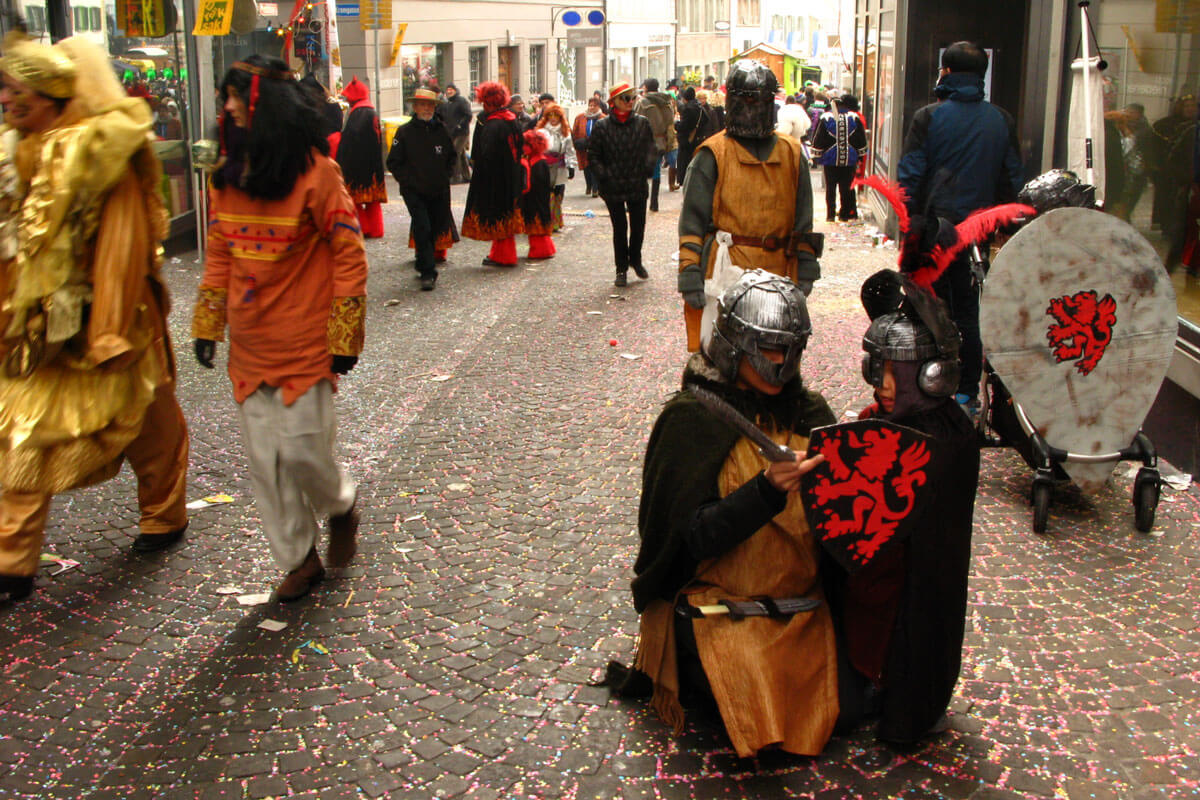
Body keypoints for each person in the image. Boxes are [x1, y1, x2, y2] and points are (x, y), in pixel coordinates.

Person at [608, 269, 840, 758]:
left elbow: (841, 528)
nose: (780, 363)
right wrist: (765, 492)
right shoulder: (692, 419)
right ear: (735, 345)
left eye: (790, 350)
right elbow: (686, 539)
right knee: (757, 711)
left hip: (803, 609)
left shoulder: (812, 414)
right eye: (768, 350)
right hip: (720, 610)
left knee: (850, 706)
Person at [0, 34, 191, 602]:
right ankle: (12, 557)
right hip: (29, 325)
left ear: (51, 93)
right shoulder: (11, 151)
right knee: (22, 436)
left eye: (18, 89)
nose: (7, 99)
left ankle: (164, 512)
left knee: (148, 416)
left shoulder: (99, 152)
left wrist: (105, 322)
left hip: (108, 318)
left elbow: (123, 244)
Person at [192, 55, 367, 602]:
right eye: (225, 99)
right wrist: (207, 323)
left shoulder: (318, 174)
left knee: (303, 452)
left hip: (304, 343)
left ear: (264, 107)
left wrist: (344, 336)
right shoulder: (228, 176)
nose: (225, 108)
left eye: (235, 98)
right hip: (250, 345)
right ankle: (299, 560)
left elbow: (349, 255)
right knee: (266, 464)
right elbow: (220, 252)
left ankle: (340, 505)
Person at [824, 268, 980, 744]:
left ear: (927, 375)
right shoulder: (888, 426)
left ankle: (901, 700)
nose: (884, 383)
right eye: (880, 368)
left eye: (899, 371)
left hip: (911, 613)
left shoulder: (945, 438)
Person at [897, 41, 1023, 415]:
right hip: (977, 235)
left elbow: (910, 178)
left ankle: (928, 388)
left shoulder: (928, 117)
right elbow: (1011, 177)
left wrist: (910, 229)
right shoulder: (1001, 119)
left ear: (946, 72)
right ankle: (967, 395)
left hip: (934, 233)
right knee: (969, 313)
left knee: (927, 310)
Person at [679, 59, 824, 352]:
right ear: (732, 100)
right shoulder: (713, 155)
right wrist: (690, 272)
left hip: (780, 273)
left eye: (759, 99)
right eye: (744, 99)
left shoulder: (792, 153)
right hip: (727, 272)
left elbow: (803, 219)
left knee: (773, 359)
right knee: (721, 361)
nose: (751, 107)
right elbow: (693, 220)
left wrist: (806, 266)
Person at [586, 83, 658, 287]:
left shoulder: (642, 123)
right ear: (613, 102)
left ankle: (636, 260)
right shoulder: (602, 126)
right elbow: (594, 155)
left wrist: (646, 169)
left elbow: (651, 149)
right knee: (619, 228)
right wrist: (604, 175)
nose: (630, 102)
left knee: (638, 227)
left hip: (636, 182)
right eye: (625, 98)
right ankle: (621, 268)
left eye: (632, 98)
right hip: (613, 185)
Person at [388, 87, 457, 291]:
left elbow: (452, 157)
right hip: (414, 191)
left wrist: (445, 176)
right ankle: (428, 272)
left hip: (439, 190)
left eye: (430, 105)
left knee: (434, 228)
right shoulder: (405, 132)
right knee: (422, 226)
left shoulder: (442, 130)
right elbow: (393, 162)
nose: (427, 109)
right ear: (415, 107)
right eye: (423, 105)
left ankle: (421, 260)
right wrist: (407, 182)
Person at [462, 81, 525, 267]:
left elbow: (485, 155)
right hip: (512, 173)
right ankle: (500, 253)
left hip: (495, 177)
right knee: (507, 213)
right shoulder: (511, 119)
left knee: (499, 215)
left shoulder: (492, 125)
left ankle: (504, 256)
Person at [337, 76, 387, 238]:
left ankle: (364, 228)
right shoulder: (370, 111)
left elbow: (350, 142)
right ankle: (376, 229)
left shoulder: (358, 113)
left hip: (357, 166)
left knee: (355, 201)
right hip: (373, 165)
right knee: (373, 202)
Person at [812, 95, 869, 222]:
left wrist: (817, 156)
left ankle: (830, 214)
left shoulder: (826, 118)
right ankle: (844, 213)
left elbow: (818, 139)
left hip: (830, 160)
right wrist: (859, 156)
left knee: (830, 188)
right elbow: (861, 140)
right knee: (846, 187)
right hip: (849, 159)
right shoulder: (853, 117)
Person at [634, 77, 678, 210]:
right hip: (662, 140)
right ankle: (654, 202)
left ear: (646, 88)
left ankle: (641, 201)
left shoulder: (643, 103)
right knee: (656, 171)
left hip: (645, 140)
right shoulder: (667, 102)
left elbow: (635, 120)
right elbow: (671, 120)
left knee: (640, 171)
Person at [535, 103, 576, 231]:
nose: (553, 118)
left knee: (558, 194)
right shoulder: (541, 132)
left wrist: (571, 166)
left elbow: (569, 150)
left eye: (556, 115)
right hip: (544, 166)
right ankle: (544, 221)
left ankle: (555, 221)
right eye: (550, 115)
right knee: (545, 194)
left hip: (559, 166)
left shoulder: (565, 133)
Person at [518, 129, 556, 260]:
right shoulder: (536, 160)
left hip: (535, 200)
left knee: (537, 226)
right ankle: (544, 249)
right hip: (537, 199)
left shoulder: (538, 162)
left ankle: (539, 251)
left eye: (526, 145)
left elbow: (534, 183)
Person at [675, 87, 715, 181]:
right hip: (697, 138)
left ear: (685, 98)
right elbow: (706, 119)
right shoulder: (700, 107)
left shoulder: (688, 109)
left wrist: (676, 124)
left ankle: (685, 181)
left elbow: (683, 126)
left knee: (685, 163)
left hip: (687, 140)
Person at [437, 82, 473, 184]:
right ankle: (467, 176)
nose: (449, 91)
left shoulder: (461, 101)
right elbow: (442, 116)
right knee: (460, 154)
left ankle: (455, 177)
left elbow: (468, 115)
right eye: (447, 89)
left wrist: (460, 125)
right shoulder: (447, 103)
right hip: (451, 133)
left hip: (462, 133)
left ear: (455, 90)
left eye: (451, 89)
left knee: (454, 153)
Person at [572, 96, 606, 197]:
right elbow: (575, 131)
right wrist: (577, 142)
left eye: (594, 106)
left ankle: (595, 189)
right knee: (586, 167)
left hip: (597, 147)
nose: (591, 108)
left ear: (598, 107)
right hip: (584, 146)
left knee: (595, 167)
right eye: (590, 105)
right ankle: (589, 185)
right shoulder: (580, 117)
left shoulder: (603, 118)